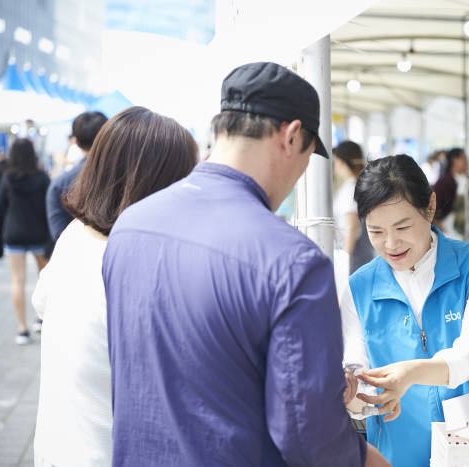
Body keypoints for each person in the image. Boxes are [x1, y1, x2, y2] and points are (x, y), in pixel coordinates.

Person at [102, 62, 387, 466]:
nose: (303, 171)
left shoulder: (130, 227)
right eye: (309, 155)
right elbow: (308, 435)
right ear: (291, 136)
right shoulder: (293, 261)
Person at [31, 106, 198, 467]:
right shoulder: (144, 263)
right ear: (158, 185)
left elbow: (41, 303)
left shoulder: (76, 235)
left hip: (58, 445)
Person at [341, 154, 469, 467]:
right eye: (376, 231)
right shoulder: (358, 288)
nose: (391, 244)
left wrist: (411, 374)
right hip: (396, 455)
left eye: (402, 226)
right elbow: (357, 372)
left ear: (430, 207)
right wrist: (352, 395)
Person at [0, 138, 50, 344]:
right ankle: (42, 319)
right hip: (38, 234)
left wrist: (0, 244)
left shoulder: (7, 179)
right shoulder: (43, 178)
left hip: (14, 234)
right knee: (43, 278)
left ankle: (22, 329)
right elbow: (49, 209)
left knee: (17, 280)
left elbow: (1, 212)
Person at [46, 111, 107, 242]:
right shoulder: (128, 177)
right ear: (109, 138)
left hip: (75, 256)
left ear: (76, 142)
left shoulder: (59, 184)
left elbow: (58, 234)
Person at [333, 140, 374, 273]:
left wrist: (344, 260)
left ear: (340, 161)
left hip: (353, 256)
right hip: (363, 254)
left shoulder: (350, 189)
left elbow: (352, 226)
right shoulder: (359, 185)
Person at [431, 148, 459, 237]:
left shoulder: (456, 179)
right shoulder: (446, 181)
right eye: (464, 158)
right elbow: (435, 204)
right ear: (454, 160)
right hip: (446, 228)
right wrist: (439, 226)